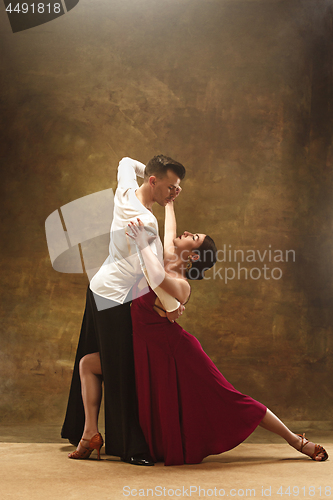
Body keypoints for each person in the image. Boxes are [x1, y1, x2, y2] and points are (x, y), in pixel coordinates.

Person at [126, 203, 329, 466]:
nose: (186, 233)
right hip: (151, 349)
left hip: (178, 352)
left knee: (231, 399)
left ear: (194, 256)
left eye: (193, 237)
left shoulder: (181, 285)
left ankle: (295, 440)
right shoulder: (169, 259)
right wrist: (169, 203)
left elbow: (155, 278)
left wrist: (142, 243)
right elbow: (170, 231)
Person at [61, 155, 186, 465]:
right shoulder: (144, 221)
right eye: (170, 188)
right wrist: (173, 306)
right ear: (154, 182)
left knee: (91, 360)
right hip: (114, 300)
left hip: (98, 289)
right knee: (121, 371)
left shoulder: (126, 193)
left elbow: (127, 161)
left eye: (177, 188)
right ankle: (131, 447)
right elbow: (151, 274)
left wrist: (154, 177)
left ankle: (86, 430)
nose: (174, 193)